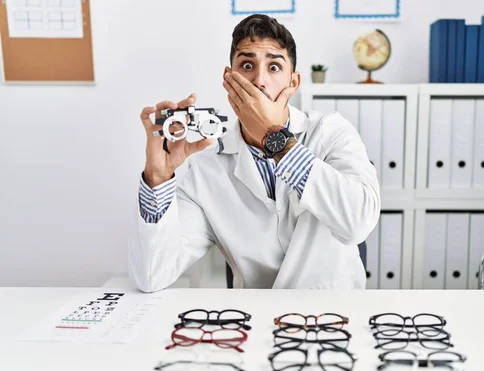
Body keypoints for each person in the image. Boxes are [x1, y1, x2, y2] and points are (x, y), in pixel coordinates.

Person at [128, 14, 380, 291]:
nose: (259, 80)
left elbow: (358, 223)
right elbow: (151, 277)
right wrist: (157, 178)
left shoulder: (331, 132)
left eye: (274, 67)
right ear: (228, 79)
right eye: (247, 65)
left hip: (335, 319)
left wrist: (275, 138)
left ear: (293, 83)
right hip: (255, 321)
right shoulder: (206, 169)